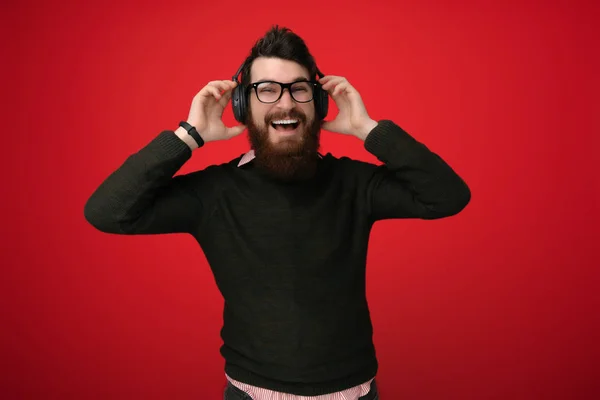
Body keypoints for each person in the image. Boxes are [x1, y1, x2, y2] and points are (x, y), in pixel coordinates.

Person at [84, 25, 471, 400]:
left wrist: (368, 129)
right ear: (242, 106)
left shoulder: (355, 184)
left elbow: (448, 196)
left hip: (354, 392)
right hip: (252, 393)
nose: (285, 103)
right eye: (266, 90)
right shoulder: (213, 192)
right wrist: (189, 134)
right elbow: (107, 211)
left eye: (299, 90)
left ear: (317, 104)